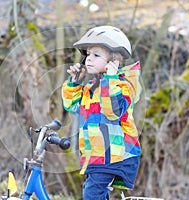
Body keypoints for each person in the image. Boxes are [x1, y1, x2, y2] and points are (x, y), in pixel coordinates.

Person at [61, 25, 142, 199]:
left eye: (96, 55)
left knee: (91, 194)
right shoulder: (93, 88)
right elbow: (74, 107)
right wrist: (74, 84)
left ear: (114, 62)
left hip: (114, 156)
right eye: (88, 55)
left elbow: (114, 110)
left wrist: (111, 79)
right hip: (96, 156)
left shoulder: (121, 86)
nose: (89, 59)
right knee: (96, 193)